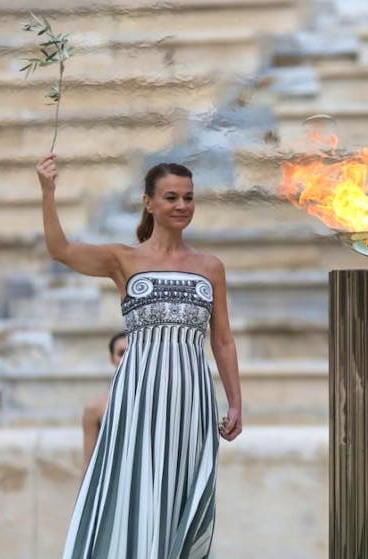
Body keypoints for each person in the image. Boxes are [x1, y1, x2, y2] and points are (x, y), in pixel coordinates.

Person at [37, 154, 243, 559]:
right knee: (137, 493)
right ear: (149, 202)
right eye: (171, 197)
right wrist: (48, 192)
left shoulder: (210, 267)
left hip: (191, 400)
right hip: (138, 396)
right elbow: (59, 250)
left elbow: (222, 340)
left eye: (188, 197)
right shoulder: (123, 260)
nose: (182, 206)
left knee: (181, 494)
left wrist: (235, 401)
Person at [80, 331, 127, 472]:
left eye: (132, 351)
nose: (127, 357)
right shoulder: (95, 407)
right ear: (112, 359)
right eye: (121, 353)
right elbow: (88, 463)